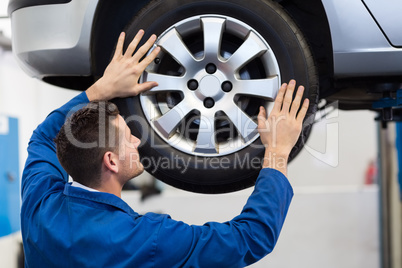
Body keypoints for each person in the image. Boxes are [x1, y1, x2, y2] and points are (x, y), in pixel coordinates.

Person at [21, 30, 309, 267]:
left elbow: (44, 139)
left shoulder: (39, 209)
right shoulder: (146, 241)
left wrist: (102, 89)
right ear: (110, 161)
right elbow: (248, 239)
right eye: (127, 136)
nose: (137, 140)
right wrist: (277, 152)